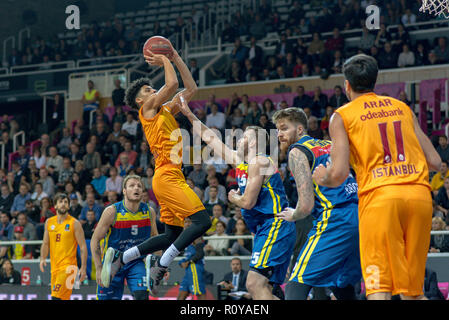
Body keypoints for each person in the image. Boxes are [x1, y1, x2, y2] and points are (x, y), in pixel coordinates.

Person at [312, 54, 441, 300]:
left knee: (378, 286)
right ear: (374, 82)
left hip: (380, 199)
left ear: (347, 85)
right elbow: (435, 161)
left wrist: (322, 177)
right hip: (419, 196)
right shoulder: (401, 107)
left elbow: (338, 175)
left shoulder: (342, 115)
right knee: (413, 293)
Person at [101, 42, 211, 296]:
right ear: (140, 99)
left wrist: (175, 56)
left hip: (168, 176)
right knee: (202, 221)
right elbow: (171, 85)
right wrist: (164, 61)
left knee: (170, 235)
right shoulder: (146, 109)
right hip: (167, 176)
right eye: (150, 89)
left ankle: (122, 256)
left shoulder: (164, 110)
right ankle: (161, 263)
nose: (155, 90)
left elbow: (190, 88)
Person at [179, 98, 296, 300]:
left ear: (252, 142)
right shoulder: (240, 161)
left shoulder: (259, 161)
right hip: (265, 229)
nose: (237, 140)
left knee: (253, 283)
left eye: (242, 138)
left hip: (275, 225)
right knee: (266, 287)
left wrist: (234, 198)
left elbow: (248, 202)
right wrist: (189, 114)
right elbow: (210, 139)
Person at [272, 107, 361, 300]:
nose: (279, 134)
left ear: (300, 130)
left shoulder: (297, 152)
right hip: (359, 216)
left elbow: (306, 205)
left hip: (335, 218)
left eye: (284, 128)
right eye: (277, 130)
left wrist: (292, 214)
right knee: (341, 284)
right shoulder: (329, 144)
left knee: (296, 283)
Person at [91, 175, 158, 300]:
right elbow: (95, 239)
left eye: (139, 186)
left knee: (142, 296)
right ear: (124, 191)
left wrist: (161, 265)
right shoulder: (112, 212)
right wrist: (99, 268)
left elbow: (156, 239)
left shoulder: (149, 212)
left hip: (136, 262)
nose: (136, 188)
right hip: (112, 262)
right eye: (132, 186)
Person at [39, 193, 87, 300]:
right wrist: (42, 258)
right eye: (60, 202)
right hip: (55, 268)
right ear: (55, 206)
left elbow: (83, 247)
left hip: (69, 268)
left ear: (69, 206)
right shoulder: (49, 222)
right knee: (63, 298)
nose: (63, 204)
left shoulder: (75, 223)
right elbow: (45, 243)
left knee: (55, 297)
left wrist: (83, 268)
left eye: (66, 202)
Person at [177, 217, 207, 300]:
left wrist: (188, 262)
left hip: (195, 266)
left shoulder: (196, 235)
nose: (187, 224)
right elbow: (186, 255)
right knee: (181, 295)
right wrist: (182, 262)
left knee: (199, 293)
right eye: (185, 222)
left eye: (189, 222)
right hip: (188, 269)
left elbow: (200, 254)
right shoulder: (183, 236)